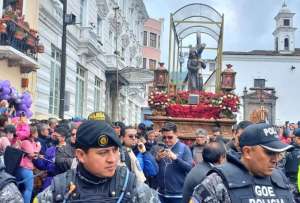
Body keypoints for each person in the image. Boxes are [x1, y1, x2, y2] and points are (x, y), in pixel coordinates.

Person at [35, 120, 160, 203]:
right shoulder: (58, 190)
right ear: (81, 155)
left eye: (115, 151)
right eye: (103, 153)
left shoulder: (134, 188)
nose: (112, 159)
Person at [191, 123, 295, 203]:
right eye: (270, 152)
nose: (275, 159)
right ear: (247, 152)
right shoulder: (217, 182)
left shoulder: (281, 179)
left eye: (278, 153)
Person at [156, 122, 193, 203]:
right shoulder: (161, 147)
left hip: (178, 195)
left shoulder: (184, 148)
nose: (166, 140)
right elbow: (155, 170)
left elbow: (189, 168)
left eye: (170, 137)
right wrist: (157, 159)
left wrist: (176, 158)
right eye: (164, 137)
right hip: (161, 194)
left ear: (176, 134)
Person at [285, 128, 300, 201]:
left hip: (293, 184)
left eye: (294, 138)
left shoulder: (291, 151)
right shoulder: (291, 149)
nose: (293, 139)